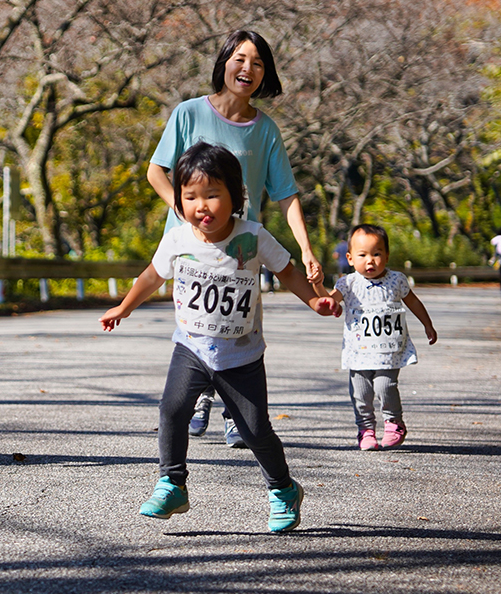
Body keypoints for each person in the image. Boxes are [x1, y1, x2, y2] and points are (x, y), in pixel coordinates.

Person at [101, 142, 339, 533]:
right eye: (190, 196)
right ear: (178, 200)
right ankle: (172, 483)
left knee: (255, 429)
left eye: (213, 195)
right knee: (172, 409)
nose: (202, 206)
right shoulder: (178, 239)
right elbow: (151, 276)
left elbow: (289, 272)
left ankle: (283, 489)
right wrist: (124, 307)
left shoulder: (254, 236)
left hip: (240, 355)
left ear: (235, 195)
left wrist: (316, 301)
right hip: (191, 347)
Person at [146, 29, 323, 447]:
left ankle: (233, 409)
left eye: (258, 63)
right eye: (240, 59)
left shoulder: (265, 131)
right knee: (198, 319)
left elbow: (285, 195)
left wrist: (306, 246)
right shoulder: (188, 113)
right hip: (193, 244)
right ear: (223, 63)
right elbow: (157, 170)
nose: (248, 69)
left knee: (240, 321)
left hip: (243, 248)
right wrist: (182, 207)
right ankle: (203, 392)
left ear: (266, 74)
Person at [324, 224, 437, 451]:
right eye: (363, 255)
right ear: (349, 258)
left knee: (386, 385)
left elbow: (413, 301)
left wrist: (427, 324)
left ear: (386, 255)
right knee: (361, 392)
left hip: (389, 349)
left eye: (377, 254)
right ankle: (365, 429)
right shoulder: (348, 283)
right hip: (359, 351)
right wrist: (330, 302)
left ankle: (394, 423)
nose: (370, 261)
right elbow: (331, 300)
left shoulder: (397, 280)